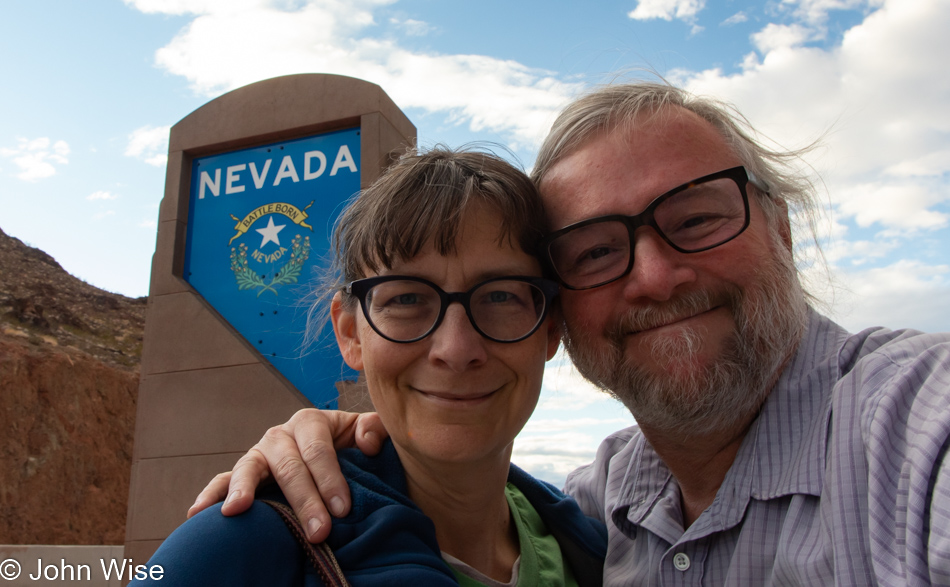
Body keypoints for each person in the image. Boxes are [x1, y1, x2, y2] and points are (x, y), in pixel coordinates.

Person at [192, 82, 950, 586]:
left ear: (780, 230)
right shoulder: (606, 503)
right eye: (595, 249)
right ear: (351, 331)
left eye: (696, 218)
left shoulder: (915, 440)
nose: (654, 275)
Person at [136, 147, 607, 586]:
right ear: (349, 333)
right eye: (406, 299)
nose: (457, 347)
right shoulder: (240, 550)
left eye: (501, 295)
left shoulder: (598, 549)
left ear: (550, 329)